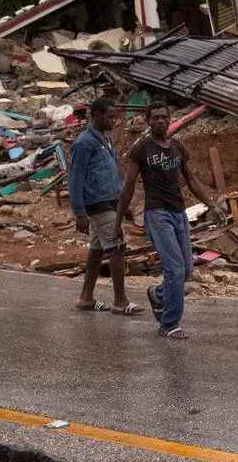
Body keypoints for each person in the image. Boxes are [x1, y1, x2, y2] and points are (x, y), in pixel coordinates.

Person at [118, 102, 224, 339]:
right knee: (174, 269)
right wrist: (118, 220)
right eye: (155, 118)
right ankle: (169, 324)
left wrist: (212, 205)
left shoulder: (177, 147)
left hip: (179, 214)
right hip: (157, 214)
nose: (160, 121)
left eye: (164, 117)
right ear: (147, 121)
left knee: (186, 270)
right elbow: (128, 186)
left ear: (170, 118)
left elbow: (192, 180)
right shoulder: (142, 149)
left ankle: (158, 294)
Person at [69, 97, 142, 315]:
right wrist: (79, 213)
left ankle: (86, 298)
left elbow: (113, 174)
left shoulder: (106, 139)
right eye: (109, 117)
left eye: (115, 117)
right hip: (97, 204)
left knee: (97, 249)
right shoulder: (84, 143)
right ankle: (120, 301)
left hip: (110, 202)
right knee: (118, 246)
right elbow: (75, 179)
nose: (114, 121)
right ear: (96, 116)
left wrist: (124, 205)